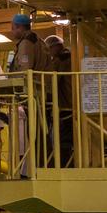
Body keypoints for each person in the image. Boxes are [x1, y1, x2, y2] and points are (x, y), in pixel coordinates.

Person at [44, 34, 75, 167]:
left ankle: (65, 167)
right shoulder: (73, 57)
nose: (49, 53)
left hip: (66, 107)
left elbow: (52, 83)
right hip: (76, 106)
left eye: (49, 49)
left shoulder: (60, 60)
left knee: (63, 142)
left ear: (55, 47)